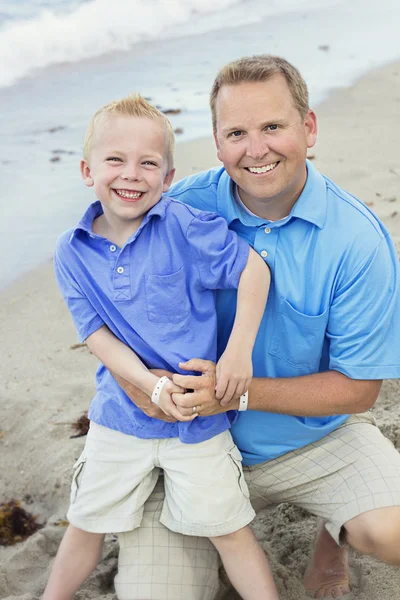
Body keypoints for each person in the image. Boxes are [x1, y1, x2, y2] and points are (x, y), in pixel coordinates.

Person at [112, 55, 400, 600]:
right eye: (237, 133)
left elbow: (361, 390)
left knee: (393, 532)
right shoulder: (175, 212)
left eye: (273, 126)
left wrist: (231, 395)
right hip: (190, 446)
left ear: (308, 128)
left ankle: (331, 534)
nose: (257, 148)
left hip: (315, 439)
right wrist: (142, 386)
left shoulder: (358, 241)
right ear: (218, 144)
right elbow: (114, 321)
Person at [43, 93, 278, 600]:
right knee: (85, 523)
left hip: (199, 418)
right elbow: (96, 334)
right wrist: (149, 384)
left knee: (229, 530)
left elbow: (253, 270)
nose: (132, 174)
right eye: (115, 160)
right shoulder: (71, 250)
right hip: (118, 418)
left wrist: (237, 353)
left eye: (148, 163)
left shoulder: (183, 226)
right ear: (88, 170)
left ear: (167, 178)